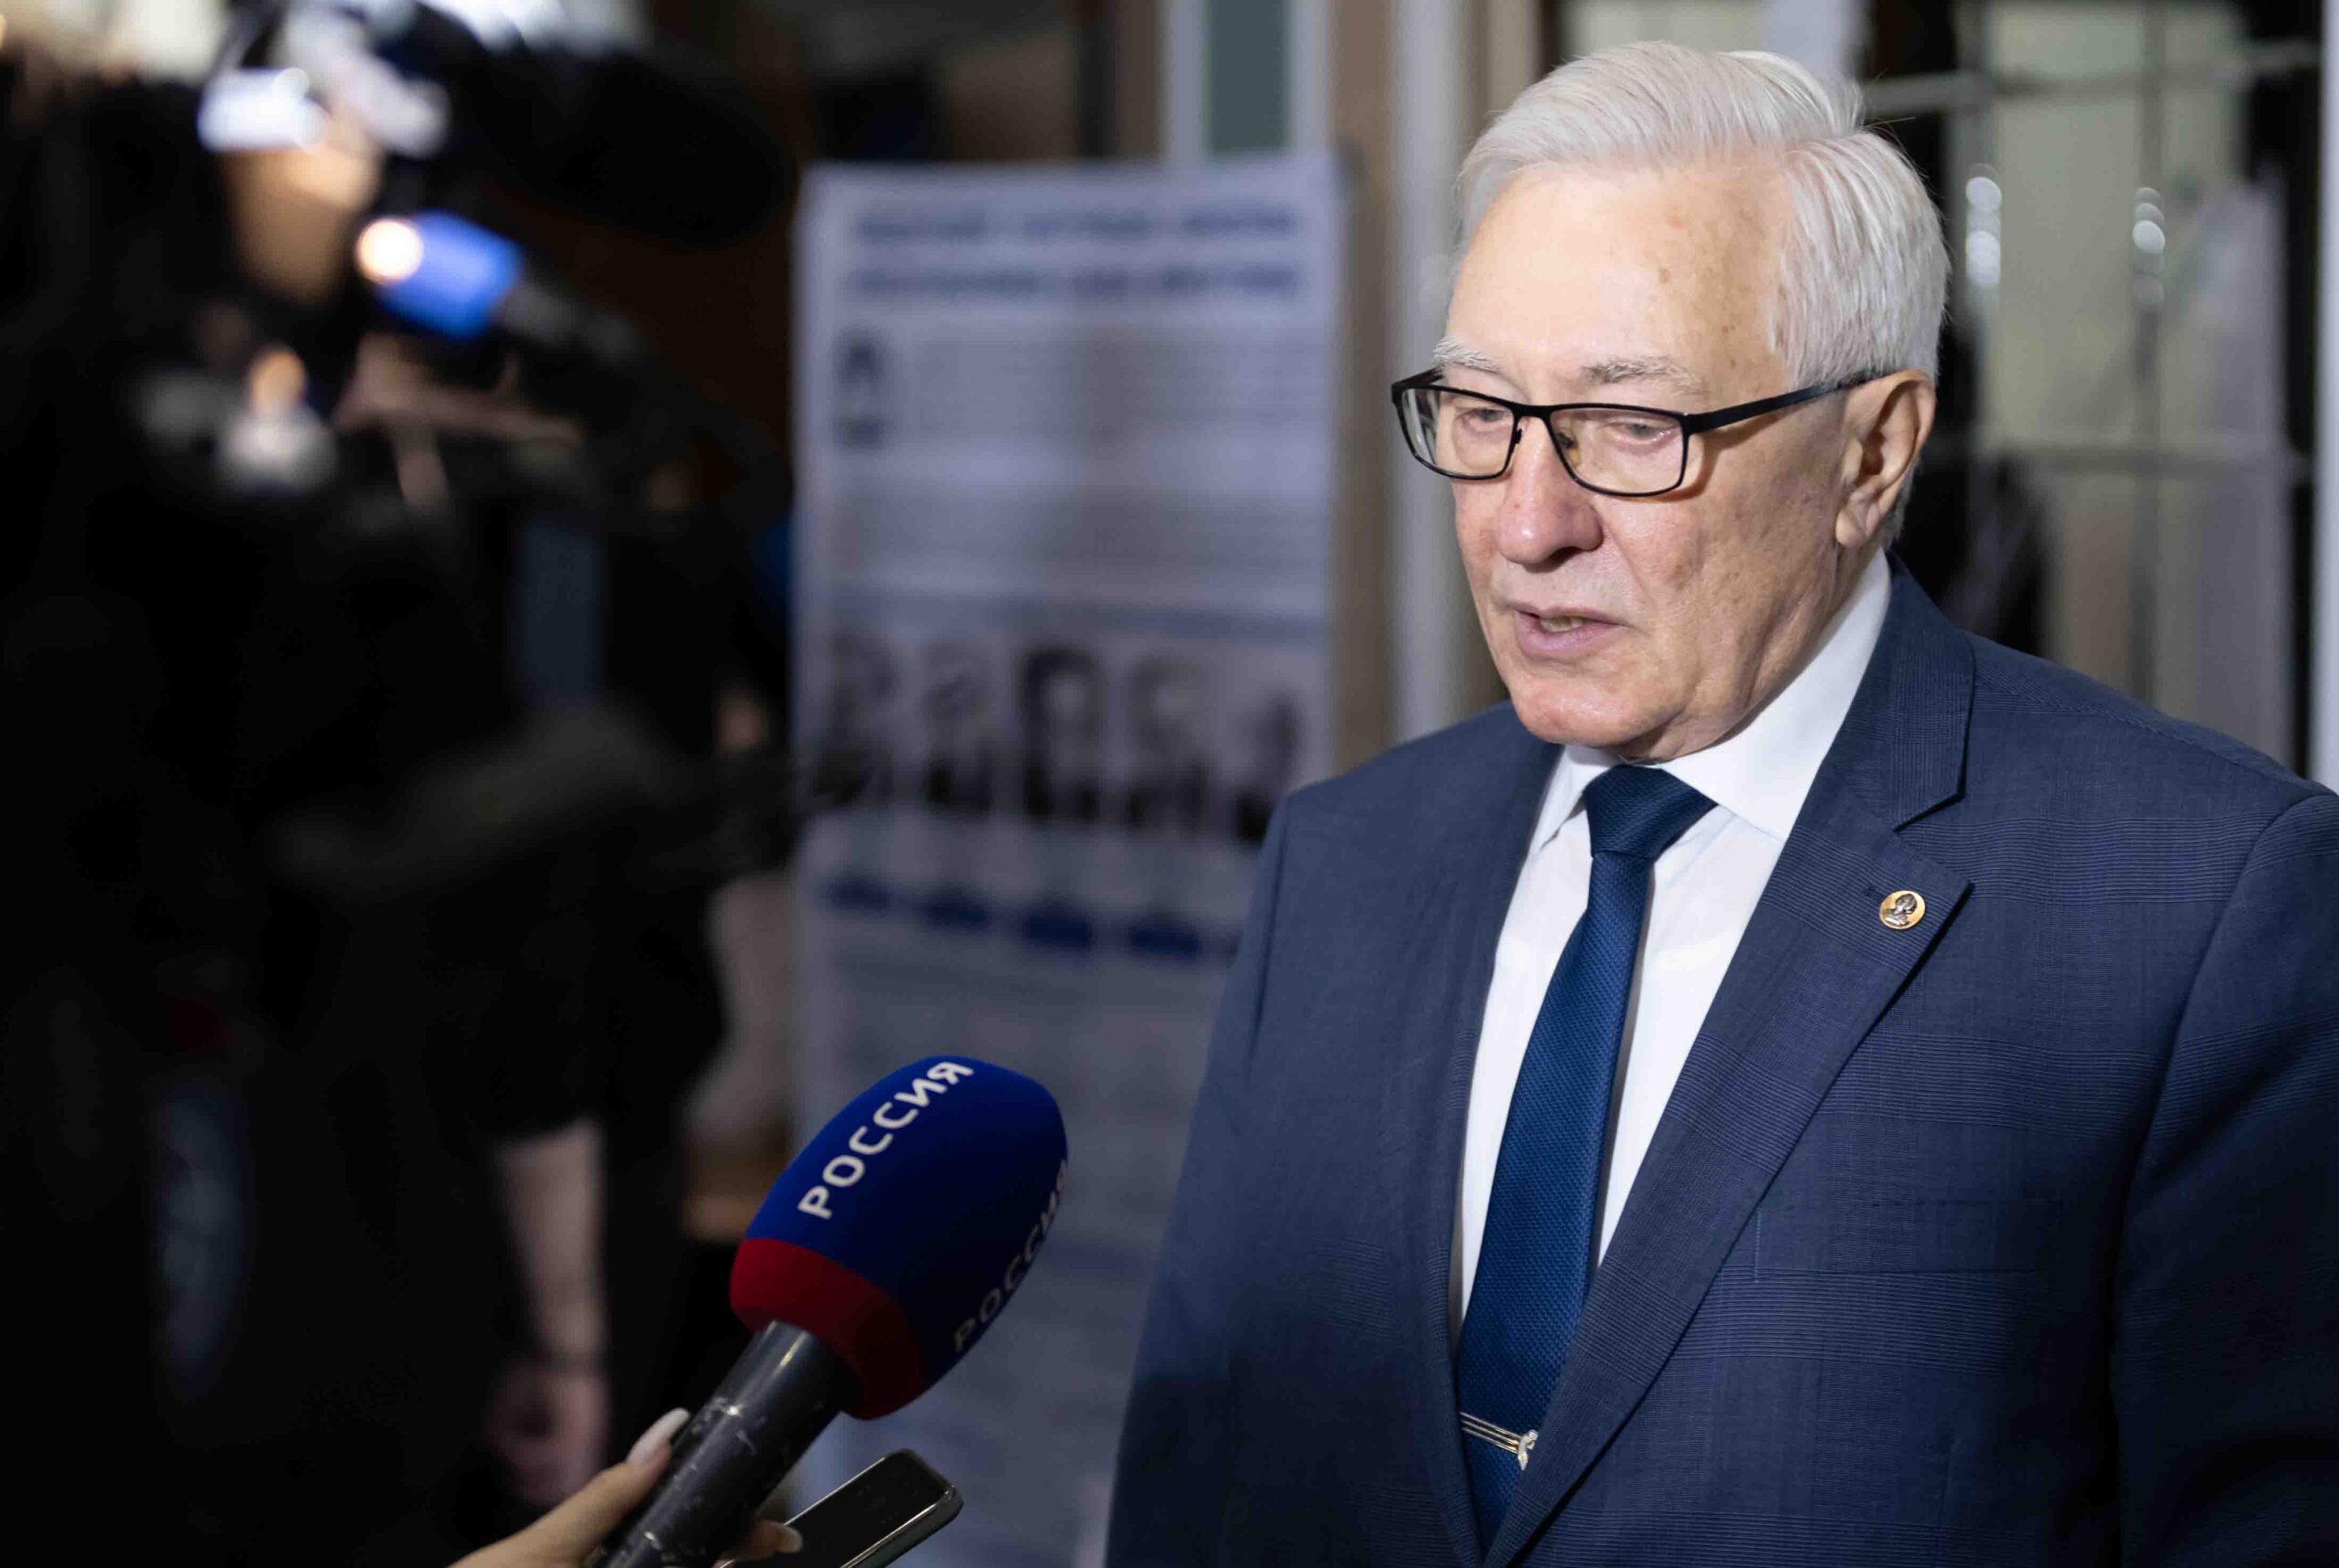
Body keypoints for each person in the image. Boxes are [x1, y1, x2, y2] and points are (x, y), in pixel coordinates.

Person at [1110, 42, 2339, 1567]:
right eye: (1483, 411)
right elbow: (1195, 1480)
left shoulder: (2199, 913)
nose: (1527, 524)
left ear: (1873, 452)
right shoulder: (1344, 861)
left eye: (1637, 428)